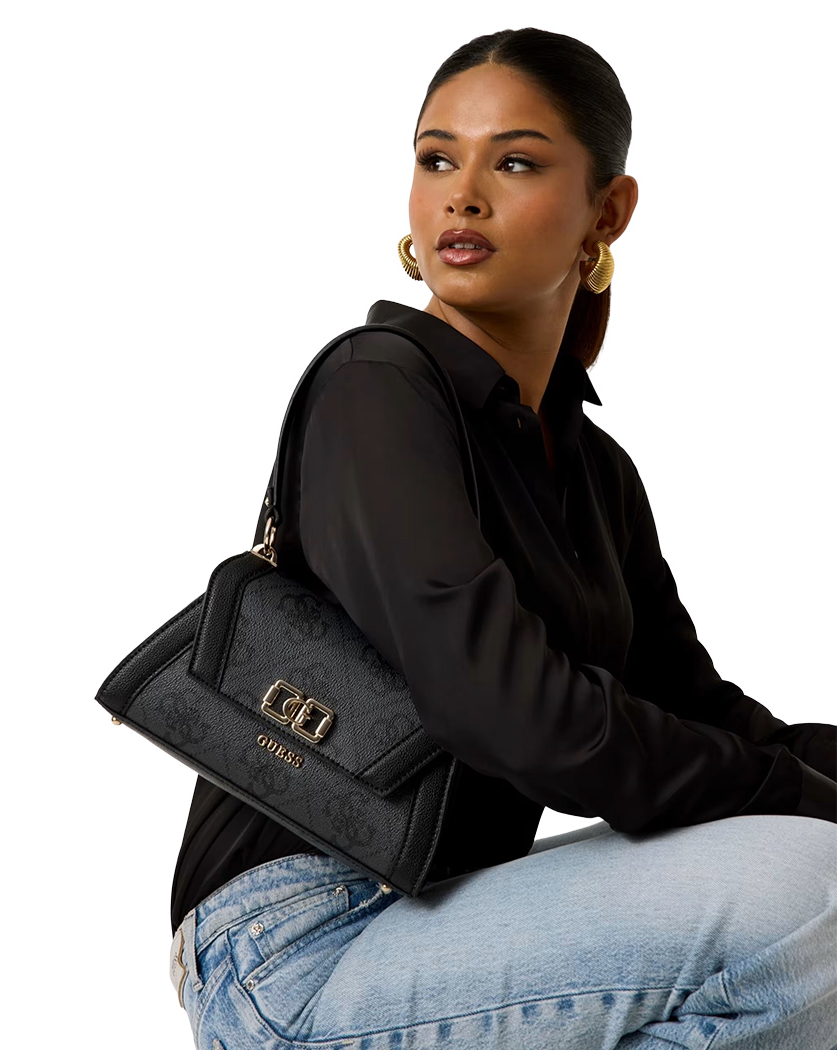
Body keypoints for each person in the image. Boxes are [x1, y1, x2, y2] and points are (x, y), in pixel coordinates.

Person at [167, 27, 837, 1050]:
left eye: (514, 163)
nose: (462, 196)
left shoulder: (595, 472)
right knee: (813, 892)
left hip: (446, 916)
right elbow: (517, 718)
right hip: (293, 952)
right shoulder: (376, 389)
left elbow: (699, 716)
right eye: (437, 160)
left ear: (607, 212)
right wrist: (800, 801)